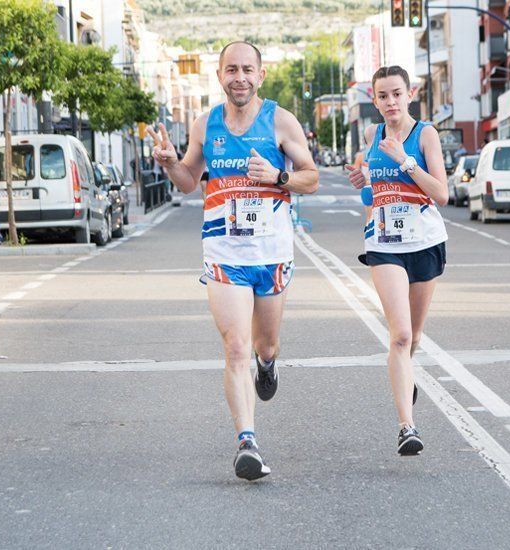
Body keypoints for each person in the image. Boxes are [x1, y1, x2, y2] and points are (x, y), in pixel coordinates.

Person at [151, 41, 318, 481]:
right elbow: (189, 180)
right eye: (231, 70)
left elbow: (312, 178)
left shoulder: (280, 120)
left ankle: (269, 365)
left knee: (264, 346)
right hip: (224, 251)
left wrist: (279, 176)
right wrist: (171, 163)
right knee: (235, 347)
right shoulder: (205, 125)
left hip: (272, 252)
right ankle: (247, 441)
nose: (239, 77)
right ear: (220, 76)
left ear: (260, 75)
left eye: (247, 69)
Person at [344, 65, 449, 456]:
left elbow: (441, 193)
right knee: (400, 335)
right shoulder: (372, 135)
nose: (390, 102)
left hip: (424, 241)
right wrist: (364, 184)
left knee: (415, 337)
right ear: (374, 100)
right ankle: (407, 426)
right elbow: (373, 196)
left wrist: (406, 161)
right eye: (382, 96)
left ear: (410, 94)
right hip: (385, 242)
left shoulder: (426, 135)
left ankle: (407, 376)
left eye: (396, 94)